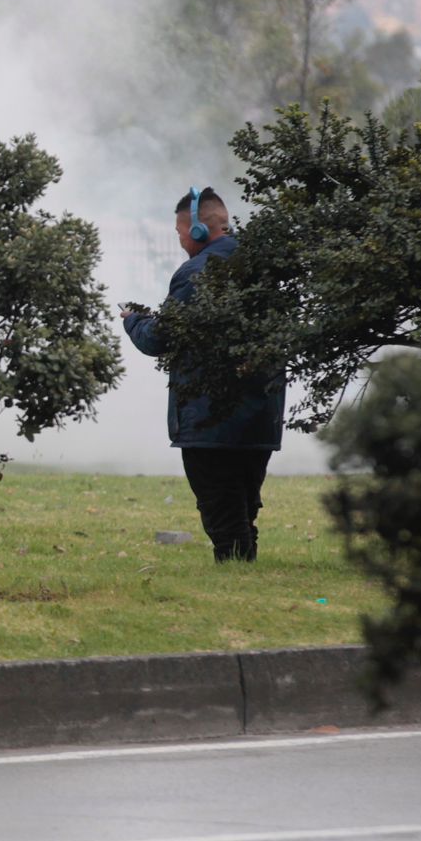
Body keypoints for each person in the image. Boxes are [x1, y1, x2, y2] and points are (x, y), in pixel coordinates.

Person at [122, 187, 285, 562]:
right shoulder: (263, 264)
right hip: (262, 414)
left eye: (180, 232)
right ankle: (243, 567)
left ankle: (236, 569)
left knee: (221, 507)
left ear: (197, 230)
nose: (181, 241)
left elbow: (160, 338)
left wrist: (134, 321)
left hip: (210, 419)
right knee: (243, 503)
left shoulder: (195, 273)